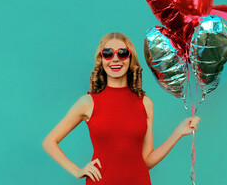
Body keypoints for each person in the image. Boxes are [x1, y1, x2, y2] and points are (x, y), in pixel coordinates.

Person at [42, 32, 200, 184]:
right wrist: (77, 171)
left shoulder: (145, 103)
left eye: (123, 53)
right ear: (101, 59)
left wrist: (177, 133)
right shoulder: (88, 102)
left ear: (130, 58)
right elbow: (49, 142)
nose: (115, 59)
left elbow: (146, 161)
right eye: (108, 53)